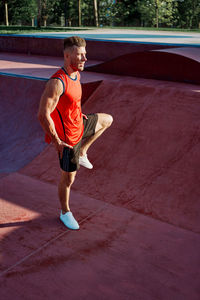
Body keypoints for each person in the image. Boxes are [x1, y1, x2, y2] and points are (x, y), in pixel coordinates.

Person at [38, 36, 113, 230]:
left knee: (107, 120)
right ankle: (65, 212)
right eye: (80, 55)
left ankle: (83, 152)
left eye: (85, 54)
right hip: (67, 140)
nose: (84, 59)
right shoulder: (57, 82)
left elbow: (72, 102)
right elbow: (42, 114)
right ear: (67, 55)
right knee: (68, 179)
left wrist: (79, 114)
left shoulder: (76, 74)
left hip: (80, 124)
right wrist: (57, 141)